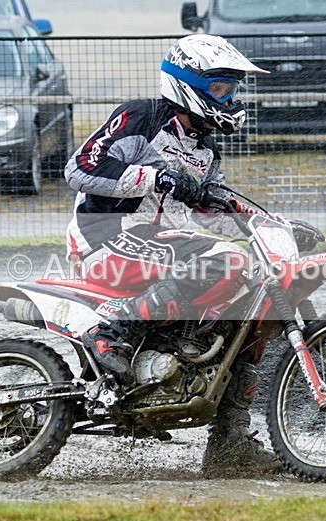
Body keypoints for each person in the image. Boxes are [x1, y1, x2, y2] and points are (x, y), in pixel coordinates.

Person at [64, 35, 285, 477]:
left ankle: (229, 445)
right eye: (221, 89)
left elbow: (213, 206)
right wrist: (155, 178)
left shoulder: (205, 149)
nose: (230, 98)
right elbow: (80, 168)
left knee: (251, 300)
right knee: (227, 261)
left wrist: (271, 223)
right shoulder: (141, 117)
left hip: (159, 240)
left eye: (232, 90)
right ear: (189, 83)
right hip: (104, 238)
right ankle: (114, 332)